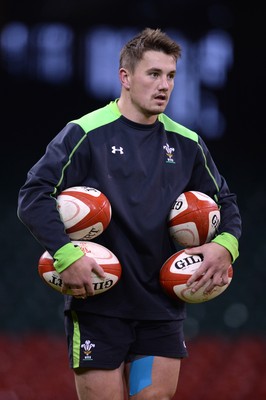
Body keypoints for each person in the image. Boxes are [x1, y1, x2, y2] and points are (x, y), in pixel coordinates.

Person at [17, 27, 242, 400]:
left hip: (161, 306)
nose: (164, 85)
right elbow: (34, 195)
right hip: (99, 305)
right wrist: (66, 253)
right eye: (153, 74)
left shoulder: (187, 143)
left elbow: (227, 201)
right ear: (125, 77)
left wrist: (226, 246)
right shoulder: (84, 133)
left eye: (170, 76)